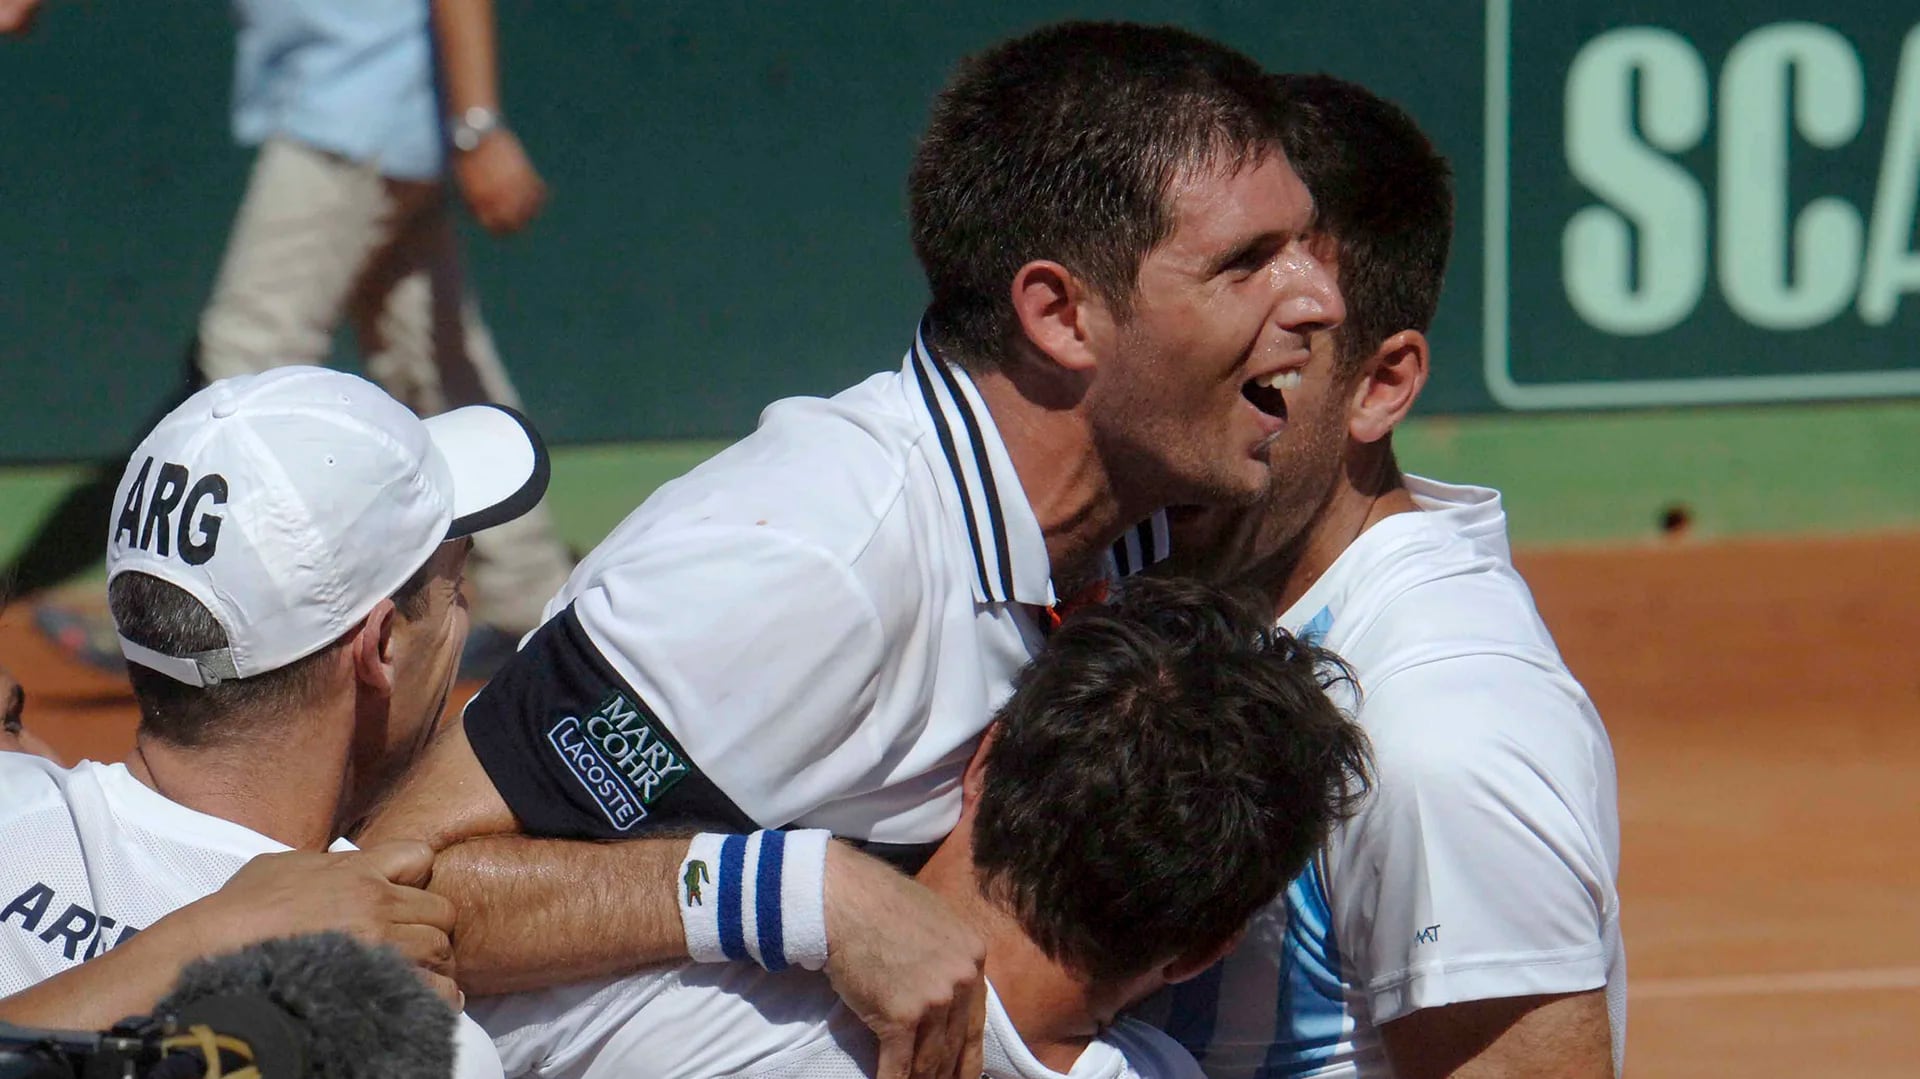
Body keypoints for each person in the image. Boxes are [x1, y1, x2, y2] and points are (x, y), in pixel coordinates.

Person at [356, 20, 1344, 1079]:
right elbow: (391, 890)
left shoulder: (1144, 506)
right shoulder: (814, 562)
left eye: (1305, 246)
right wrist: (802, 892)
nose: (1317, 299)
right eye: (1247, 262)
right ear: (1061, 316)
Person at [1146, 75, 1624, 1079]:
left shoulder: (1438, 739)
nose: (1178, 440)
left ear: (1381, 385)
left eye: (1260, 380)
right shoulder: (1157, 581)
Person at [470, 577, 1372, 1079]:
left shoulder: (676, 982)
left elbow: (382, 922)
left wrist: (789, 889)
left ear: (984, 761)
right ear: (1202, 952)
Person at [0, 366, 554, 1078]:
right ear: (381, 645)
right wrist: (217, 939)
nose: (463, 612)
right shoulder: (397, 1024)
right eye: (456, 584)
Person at [31, 0, 571, 677]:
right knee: (435, 365)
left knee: (240, 370)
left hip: (350, 117)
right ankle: (532, 601)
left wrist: (479, 127)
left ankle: (186, 614)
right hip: (381, 112)